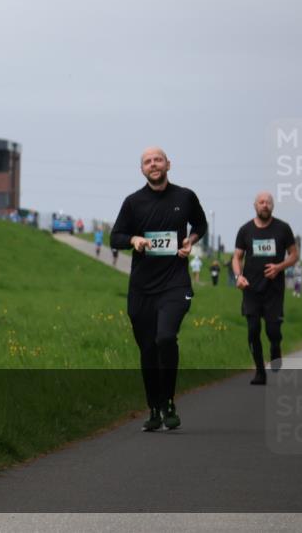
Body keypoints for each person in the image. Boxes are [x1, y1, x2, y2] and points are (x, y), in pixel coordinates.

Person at [111, 147, 207, 432]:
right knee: (148, 350)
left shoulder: (185, 197)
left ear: (168, 164)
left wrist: (190, 241)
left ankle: (169, 402)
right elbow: (115, 237)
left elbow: (200, 223)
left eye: (158, 160)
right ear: (142, 169)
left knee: (165, 338)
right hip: (142, 288)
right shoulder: (132, 202)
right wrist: (134, 240)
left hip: (175, 283)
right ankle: (154, 407)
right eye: (148, 161)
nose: (154, 164)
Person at [233, 192, 299, 385]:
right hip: (251, 289)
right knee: (253, 330)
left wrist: (279, 267)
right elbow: (236, 257)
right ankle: (260, 372)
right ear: (255, 205)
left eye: (268, 202)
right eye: (261, 202)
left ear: (273, 206)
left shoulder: (283, 228)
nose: (265, 205)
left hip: (274, 291)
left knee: (273, 332)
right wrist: (239, 276)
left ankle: (276, 349)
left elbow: (294, 255)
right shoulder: (245, 230)